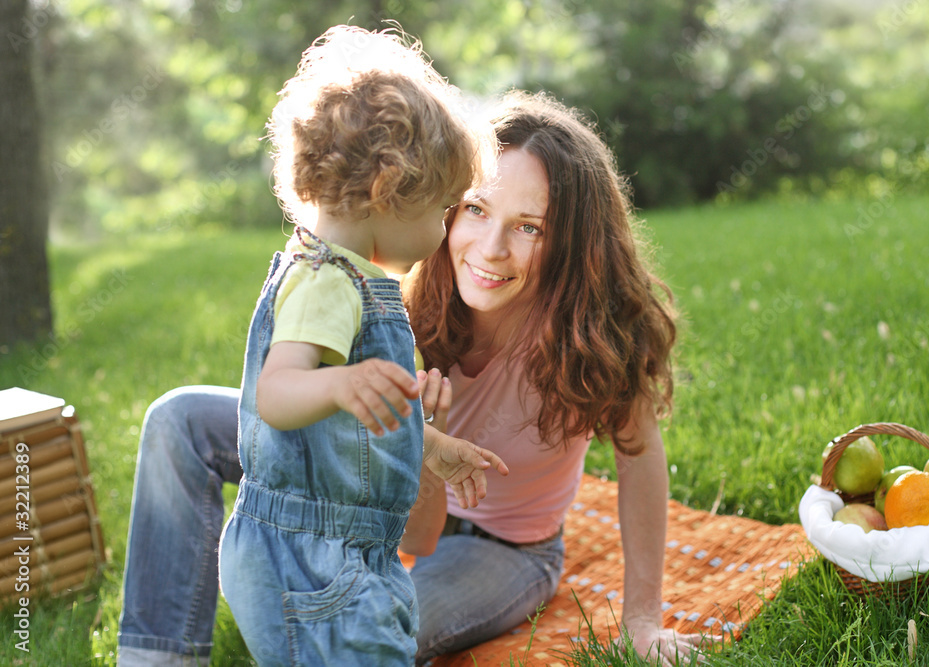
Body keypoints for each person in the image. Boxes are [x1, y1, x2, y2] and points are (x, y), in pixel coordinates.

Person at [117, 89, 714, 666]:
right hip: (378, 503)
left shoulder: (595, 334)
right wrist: (424, 437)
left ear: (573, 244)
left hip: (504, 549)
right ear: (448, 206)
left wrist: (641, 620)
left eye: (529, 227)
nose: (491, 248)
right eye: (476, 210)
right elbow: (403, 527)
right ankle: (157, 656)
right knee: (181, 420)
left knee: (360, 634)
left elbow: (638, 459)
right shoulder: (403, 306)